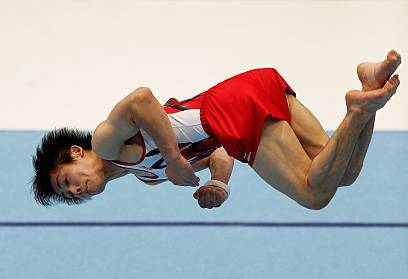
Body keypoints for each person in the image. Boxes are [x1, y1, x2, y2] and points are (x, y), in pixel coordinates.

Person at [31, 50, 401, 210]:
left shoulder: (105, 143)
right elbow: (220, 152)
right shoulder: (147, 175)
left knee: (314, 195)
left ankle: (356, 108)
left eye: (67, 181)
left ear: (76, 153)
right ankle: (370, 87)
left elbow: (140, 99)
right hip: (251, 88)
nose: (78, 189)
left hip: (227, 110)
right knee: (342, 171)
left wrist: (174, 158)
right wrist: (219, 183)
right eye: (72, 195)